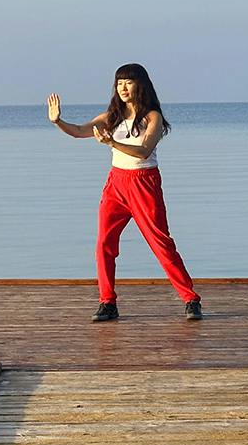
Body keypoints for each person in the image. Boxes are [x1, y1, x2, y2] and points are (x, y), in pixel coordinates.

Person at [46, 63, 203, 322]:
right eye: (119, 83)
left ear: (140, 85)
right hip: (116, 184)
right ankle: (107, 302)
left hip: (144, 184)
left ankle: (191, 299)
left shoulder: (153, 117)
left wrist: (112, 142)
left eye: (128, 82)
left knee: (160, 243)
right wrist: (58, 121)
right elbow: (78, 131)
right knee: (104, 244)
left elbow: (143, 150)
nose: (123, 88)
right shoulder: (112, 116)